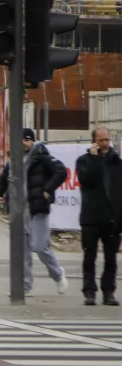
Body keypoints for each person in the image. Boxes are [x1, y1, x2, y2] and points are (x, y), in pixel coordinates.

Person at [0, 128, 69, 296]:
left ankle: (58, 274)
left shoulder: (41, 157)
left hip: (37, 209)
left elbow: (61, 172)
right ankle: (25, 285)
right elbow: (4, 179)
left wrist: (48, 189)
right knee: (23, 251)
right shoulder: (14, 159)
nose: (24, 144)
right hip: (19, 211)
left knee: (40, 247)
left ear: (33, 141)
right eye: (22, 140)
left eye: (27, 140)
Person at [75, 127, 121, 306]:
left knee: (111, 259)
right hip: (90, 218)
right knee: (89, 257)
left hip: (111, 220)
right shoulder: (84, 161)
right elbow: (87, 181)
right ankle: (89, 291)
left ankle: (108, 291)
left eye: (107, 140)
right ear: (93, 142)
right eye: (101, 140)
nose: (104, 144)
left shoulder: (116, 163)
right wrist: (94, 158)